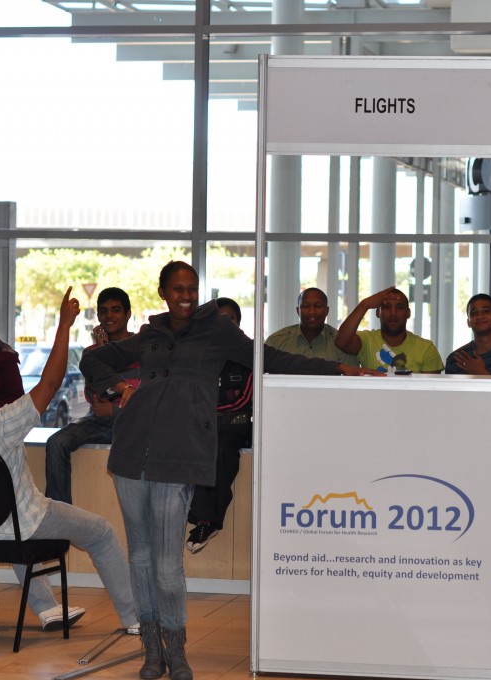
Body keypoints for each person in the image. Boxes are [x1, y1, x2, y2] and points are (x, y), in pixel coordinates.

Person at [80, 261, 380, 680]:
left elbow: (270, 358)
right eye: (177, 289)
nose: (186, 296)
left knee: (166, 563)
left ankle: (176, 649)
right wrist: (120, 388)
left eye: (192, 288)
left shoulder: (218, 331)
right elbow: (93, 360)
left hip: (180, 455)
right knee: (141, 556)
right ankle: (151, 650)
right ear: (163, 292)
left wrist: (338, 367)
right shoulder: (150, 334)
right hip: (132, 455)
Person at [0, 287, 139, 634]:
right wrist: (64, 325)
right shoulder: (2, 422)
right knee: (99, 532)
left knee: (15, 513)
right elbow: (50, 383)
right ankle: (135, 617)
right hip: (16, 525)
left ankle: (47, 608)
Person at [45, 287, 139, 505]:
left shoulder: (141, 348)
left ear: (128, 314)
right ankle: (60, 513)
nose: (109, 316)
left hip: (133, 423)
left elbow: (142, 398)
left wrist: (114, 410)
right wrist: (103, 348)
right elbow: (98, 394)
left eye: (116, 310)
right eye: (104, 311)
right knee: (56, 443)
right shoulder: (91, 353)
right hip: (100, 422)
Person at [185, 298, 252, 554]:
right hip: (204, 425)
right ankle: (199, 518)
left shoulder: (247, 356)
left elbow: (244, 400)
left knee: (220, 450)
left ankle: (207, 521)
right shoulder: (201, 357)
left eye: (230, 319)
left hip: (234, 427)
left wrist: (211, 411)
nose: (224, 324)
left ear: (238, 324)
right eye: (219, 319)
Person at [335, 286, 444, 374]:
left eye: (399, 307)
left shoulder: (426, 349)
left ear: (408, 313)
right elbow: (341, 342)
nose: (393, 313)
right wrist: (365, 304)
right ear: (377, 313)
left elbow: (430, 391)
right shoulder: (367, 340)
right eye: (386, 307)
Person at [264, 287, 358, 365]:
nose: (312, 312)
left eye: (318, 306)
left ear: (327, 311)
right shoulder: (276, 342)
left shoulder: (343, 344)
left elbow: (352, 380)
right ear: (298, 311)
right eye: (305, 306)